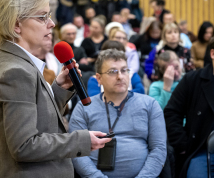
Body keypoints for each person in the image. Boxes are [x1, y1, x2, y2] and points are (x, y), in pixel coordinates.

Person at [0, 0, 111, 178]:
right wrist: (81, 141)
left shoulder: (15, 63)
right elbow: (24, 145)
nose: (51, 23)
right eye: (42, 17)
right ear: (16, 25)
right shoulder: (16, 71)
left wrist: (58, 90)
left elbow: (37, 121)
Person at [69, 49, 167, 178]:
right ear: (99, 78)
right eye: (113, 72)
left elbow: (158, 149)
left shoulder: (150, 105)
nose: (120, 76)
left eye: (124, 70)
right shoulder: (84, 107)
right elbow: (77, 151)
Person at [164, 37, 214, 178]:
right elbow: (171, 113)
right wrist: (183, 145)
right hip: (200, 150)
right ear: (212, 54)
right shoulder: (192, 80)